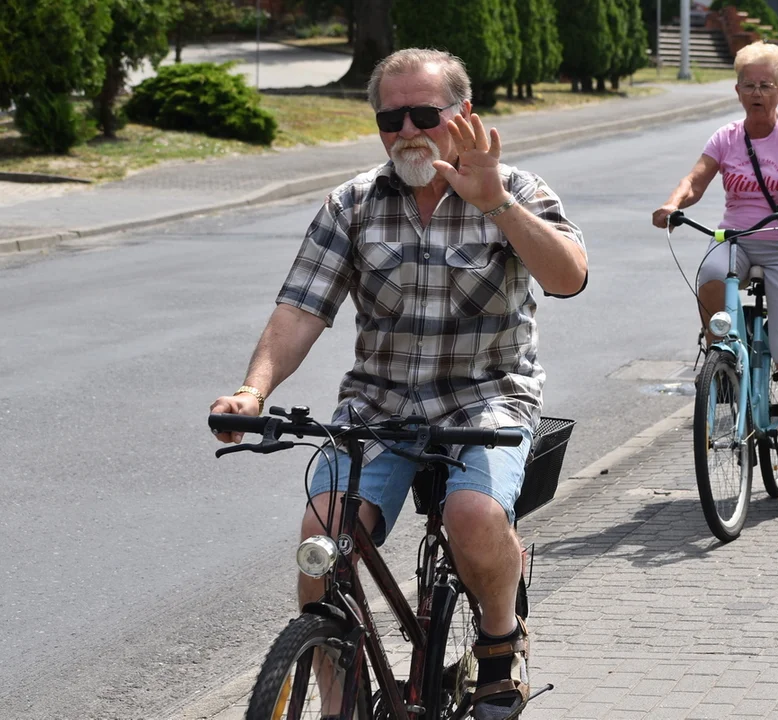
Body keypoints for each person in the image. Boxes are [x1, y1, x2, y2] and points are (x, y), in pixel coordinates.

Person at [209, 48, 587, 720]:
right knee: (322, 540)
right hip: (377, 408)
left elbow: (567, 278)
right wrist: (252, 391)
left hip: (486, 402)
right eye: (391, 118)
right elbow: (300, 309)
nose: (407, 130)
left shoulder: (517, 189)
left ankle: (501, 642)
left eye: (423, 114)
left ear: (461, 115)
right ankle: (338, 704)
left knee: (471, 516)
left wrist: (494, 201)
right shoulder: (352, 203)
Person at [652, 41, 778, 490]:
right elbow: (696, 179)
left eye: (766, 85)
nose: (757, 92)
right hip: (737, 238)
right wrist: (673, 204)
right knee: (710, 276)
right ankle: (725, 356)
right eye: (749, 85)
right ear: (737, 90)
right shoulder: (726, 137)